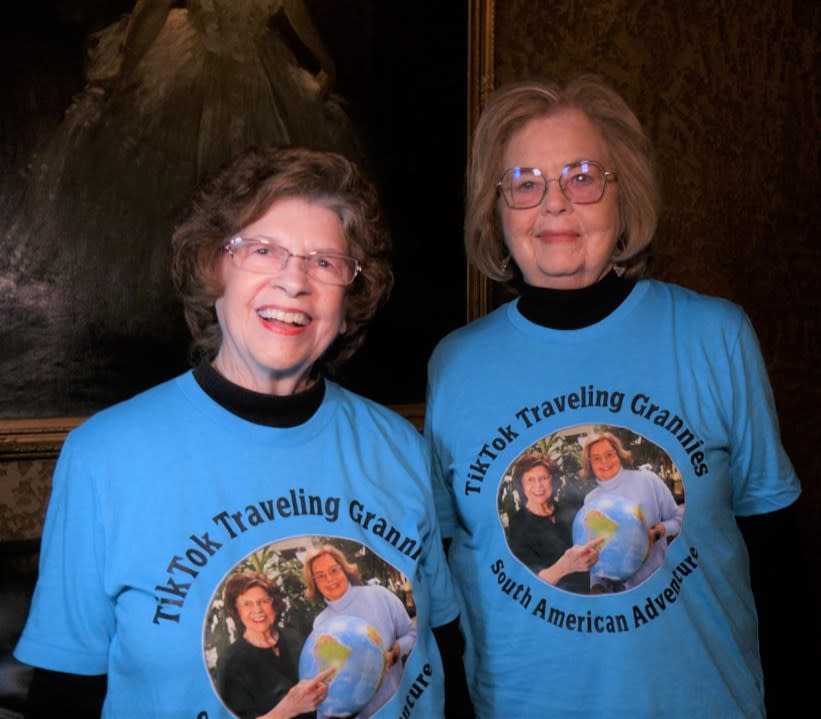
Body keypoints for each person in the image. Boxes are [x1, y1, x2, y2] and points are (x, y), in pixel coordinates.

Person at [15, 146, 469, 717]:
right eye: (263, 250)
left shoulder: (400, 447)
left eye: (324, 262)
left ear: (350, 294)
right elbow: (64, 696)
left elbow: (443, 652)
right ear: (214, 266)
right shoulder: (104, 458)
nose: (294, 282)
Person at [425, 75, 801, 717]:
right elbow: (444, 581)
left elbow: (778, 554)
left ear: (622, 192)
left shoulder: (716, 335)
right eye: (524, 182)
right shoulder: (455, 365)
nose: (554, 204)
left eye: (580, 176)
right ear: (497, 210)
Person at [303, 545, 416, 719]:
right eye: (320, 576)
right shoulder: (320, 624)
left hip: (402, 707)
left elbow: (412, 634)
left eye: (334, 570)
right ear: (315, 583)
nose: (329, 579)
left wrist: (393, 655)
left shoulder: (380, 596)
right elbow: (327, 678)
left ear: (345, 569)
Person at [217, 572, 333, 719]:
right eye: (247, 604)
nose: (257, 610)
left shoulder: (295, 638)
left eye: (263, 601)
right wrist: (289, 709)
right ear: (236, 610)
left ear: (274, 603)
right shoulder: (230, 662)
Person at [579, 431, 683, 592]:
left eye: (609, 454)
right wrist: (596, 586)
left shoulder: (647, 480)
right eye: (596, 458)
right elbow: (597, 549)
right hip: (622, 593)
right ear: (589, 464)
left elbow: (679, 519)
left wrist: (656, 532)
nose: (604, 461)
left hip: (661, 583)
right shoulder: (591, 500)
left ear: (619, 454)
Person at [505, 452, 602, 593]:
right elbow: (529, 583)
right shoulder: (518, 525)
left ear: (553, 480)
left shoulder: (569, 508)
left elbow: (593, 544)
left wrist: (598, 525)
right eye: (530, 480)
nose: (538, 485)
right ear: (521, 485)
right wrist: (564, 567)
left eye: (543, 478)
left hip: (589, 594)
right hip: (556, 604)